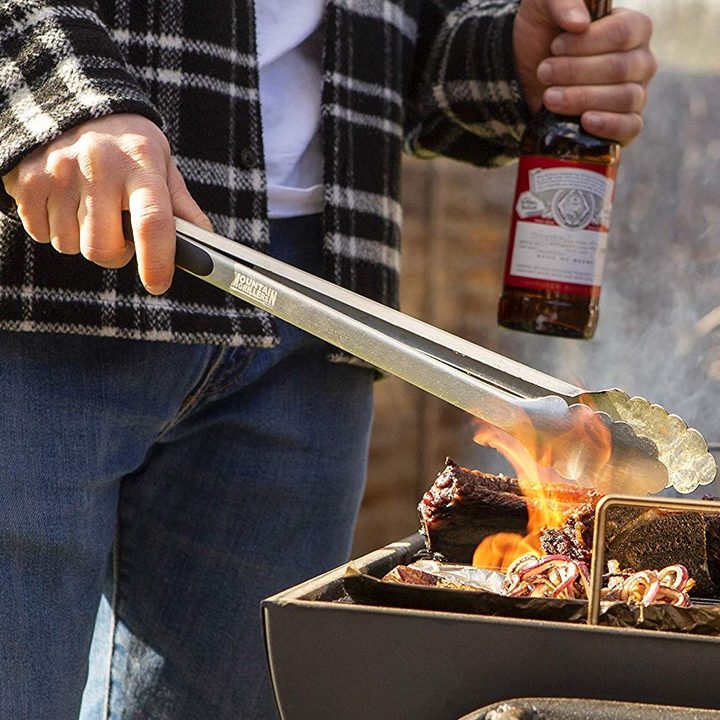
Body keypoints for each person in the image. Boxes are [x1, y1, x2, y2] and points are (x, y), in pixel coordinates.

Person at [0, 0, 655, 718]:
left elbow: (402, 40)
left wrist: (506, 59)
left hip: (321, 305)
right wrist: (42, 82)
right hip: (48, 269)